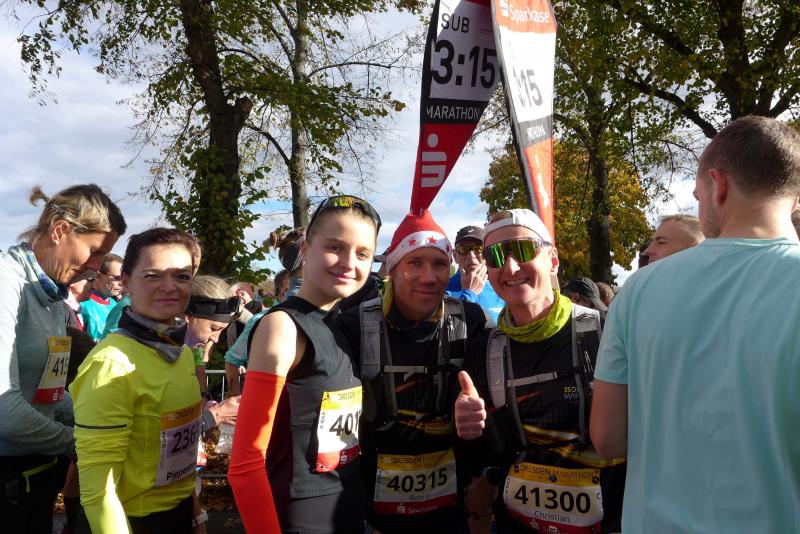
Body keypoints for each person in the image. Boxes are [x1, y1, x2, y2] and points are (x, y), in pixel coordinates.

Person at [590, 116, 800, 532]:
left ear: (718, 185)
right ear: (794, 199)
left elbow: (608, 438)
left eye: (698, 194)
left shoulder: (638, 290)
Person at [455, 209, 626, 534]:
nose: (510, 267)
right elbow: (496, 450)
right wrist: (469, 429)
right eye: (495, 256)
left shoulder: (606, 333)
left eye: (523, 249)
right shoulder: (484, 349)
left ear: (553, 260)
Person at [228, 195, 380, 533]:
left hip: (347, 508)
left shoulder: (343, 322)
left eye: (362, 253)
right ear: (306, 250)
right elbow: (245, 464)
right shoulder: (282, 327)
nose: (348, 263)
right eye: (335, 247)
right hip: (299, 516)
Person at [337, 210, 491, 534]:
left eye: (439, 264)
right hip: (372, 515)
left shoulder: (471, 320)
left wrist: (481, 415)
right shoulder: (355, 325)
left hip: (452, 512)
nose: (429, 277)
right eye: (415, 263)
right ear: (392, 269)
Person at [0, 184, 125, 533]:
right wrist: (85, 443)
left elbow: (50, 392)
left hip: (33, 473)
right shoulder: (6, 283)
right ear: (59, 230)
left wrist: (104, 424)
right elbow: (4, 411)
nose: (96, 267)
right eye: (95, 252)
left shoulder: (51, 291)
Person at [70, 228, 205, 533]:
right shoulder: (110, 365)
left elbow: (177, 457)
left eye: (182, 276)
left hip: (179, 513)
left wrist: (197, 515)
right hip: (129, 521)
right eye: (153, 276)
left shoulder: (181, 353)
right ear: (127, 282)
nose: (169, 287)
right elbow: (98, 493)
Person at [223, 229, 305, 397]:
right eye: (288, 291)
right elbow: (232, 360)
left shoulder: (324, 310)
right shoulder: (262, 319)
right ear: (277, 293)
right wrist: (236, 399)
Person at [185, 275, 240, 401]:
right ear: (188, 317)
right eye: (214, 328)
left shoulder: (194, 349)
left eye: (222, 330)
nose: (216, 339)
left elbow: (198, 365)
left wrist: (204, 397)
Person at [446, 225, 505, 322]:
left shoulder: (500, 290)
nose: (471, 256)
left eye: (478, 249)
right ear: (455, 256)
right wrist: (469, 293)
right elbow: (444, 327)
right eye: (463, 249)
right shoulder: (441, 289)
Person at [81, 253, 124, 341]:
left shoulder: (117, 306)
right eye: (117, 278)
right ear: (98, 275)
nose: (121, 283)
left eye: (124, 278)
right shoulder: (82, 304)